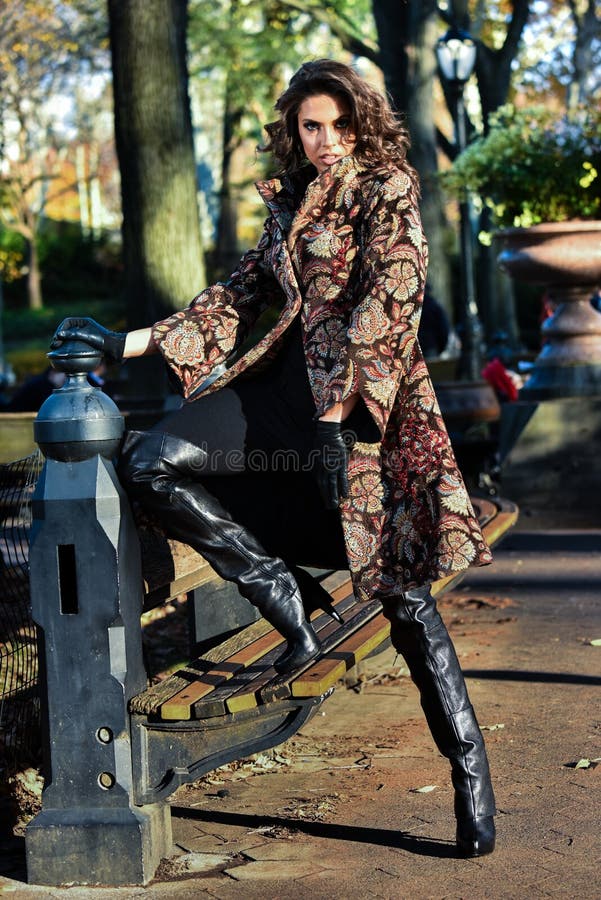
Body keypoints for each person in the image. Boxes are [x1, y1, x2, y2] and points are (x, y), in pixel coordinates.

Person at [51, 59, 496, 857]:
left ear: (362, 124)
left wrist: (338, 415)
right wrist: (123, 342)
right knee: (153, 460)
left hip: (364, 399)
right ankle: (286, 602)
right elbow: (239, 292)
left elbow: (392, 296)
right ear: (293, 129)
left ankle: (468, 775)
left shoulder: (387, 189)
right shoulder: (290, 202)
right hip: (279, 390)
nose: (325, 140)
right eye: (309, 126)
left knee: (402, 595)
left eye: (338, 124)